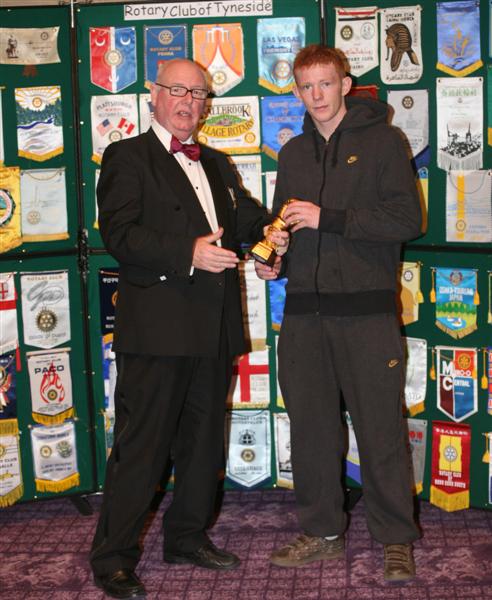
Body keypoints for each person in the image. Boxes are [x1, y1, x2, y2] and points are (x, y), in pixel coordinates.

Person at [91, 58, 287, 599]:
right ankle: (112, 558)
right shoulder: (127, 156)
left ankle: (187, 537)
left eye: (198, 94)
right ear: (154, 97)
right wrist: (188, 253)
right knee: (142, 448)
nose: (188, 102)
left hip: (212, 327)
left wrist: (271, 238)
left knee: (202, 445)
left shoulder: (218, 162)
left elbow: (246, 220)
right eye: (178, 90)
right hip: (158, 329)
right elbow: (120, 235)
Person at [255, 44, 422, 581]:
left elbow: (407, 219)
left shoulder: (385, 141)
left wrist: (328, 217)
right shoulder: (292, 153)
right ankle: (323, 532)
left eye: (325, 83)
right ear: (297, 91)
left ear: (345, 85)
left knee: (380, 431)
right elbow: (284, 228)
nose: (317, 95)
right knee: (311, 432)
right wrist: (273, 259)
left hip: (367, 314)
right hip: (303, 315)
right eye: (306, 87)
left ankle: (395, 539)